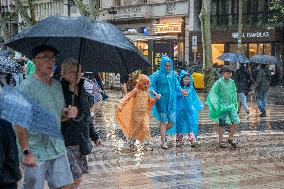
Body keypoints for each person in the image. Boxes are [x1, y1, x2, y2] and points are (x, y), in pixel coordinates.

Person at [16, 45, 78, 189]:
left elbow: (59, 115)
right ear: (34, 61)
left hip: (56, 147)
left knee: (66, 185)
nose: (50, 62)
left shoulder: (56, 86)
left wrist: (68, 113)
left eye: (53, 59)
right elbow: (19, 123)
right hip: (35, 149)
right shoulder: (26, 87)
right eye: (45, 58)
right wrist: (26, 152)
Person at [60, 58, 101, 189]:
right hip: (65, 141)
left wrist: (94, 136)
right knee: (74, 177)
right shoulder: (59, 89)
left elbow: (87, 115)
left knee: (76, 179)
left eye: (79, 71)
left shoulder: (84, 89)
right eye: (72, 72)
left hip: (80, 139)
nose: (77, 74)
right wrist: (65, 114)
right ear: (63, 74)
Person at [149, 56, 187, 149]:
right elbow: (151, 85)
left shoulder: (173, 74)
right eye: (166, 65)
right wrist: (155, 93)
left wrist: (182, 90)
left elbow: (177, 85)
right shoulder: (157, 74)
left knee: (172, 121)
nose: (168, 67)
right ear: (162, 65)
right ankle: (163, 141)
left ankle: (162, 132)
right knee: (163, 120)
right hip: (161, 101)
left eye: (169, 66)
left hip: (172, 101)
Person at [116, 74, 160, 150]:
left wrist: (155, 98)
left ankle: (146, 144)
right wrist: (120, 105)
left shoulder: (147, 93)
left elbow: (150, 102)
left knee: (146, 128)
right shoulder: (136, 91)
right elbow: (127, 97)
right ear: (140, 83)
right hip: (136, 114)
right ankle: (131, 143)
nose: (146, 86)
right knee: (135, 129)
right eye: (144, 84)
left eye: (147, 84)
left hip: (144, 114)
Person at [206, 66, 239, 148]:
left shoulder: (232, 82)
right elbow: (213, 93)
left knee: (236, 121)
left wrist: (235, 104)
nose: (229, 75)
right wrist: (216, 104)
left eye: (230, 73)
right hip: (222, 107)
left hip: (231, 106)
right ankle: (221, 141)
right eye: (228, 73)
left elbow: (234, 93)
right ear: (223, 73)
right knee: (221, 124)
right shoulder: (219, 82)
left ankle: (230, 138)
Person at [174, 70, 203, 147]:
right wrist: (181, 94)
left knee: (191, 122)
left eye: (188, 79)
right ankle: (179, 137)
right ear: (181, 79)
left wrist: (197, 106)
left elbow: (195, 97)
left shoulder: (191, 88)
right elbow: (175, 96)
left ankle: (192, 138)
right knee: (180, 122)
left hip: (189, 109)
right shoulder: (179, 88)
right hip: (180, 109)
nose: (187, 80)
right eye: (185, 79)